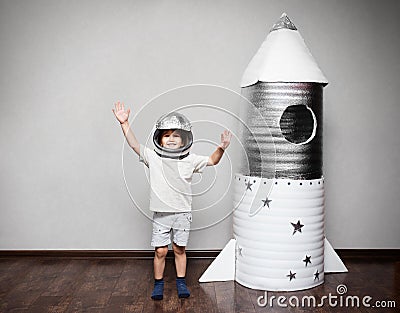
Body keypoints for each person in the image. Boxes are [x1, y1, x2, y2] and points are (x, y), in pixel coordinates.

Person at [112, 101, 231, 300]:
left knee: (179, 248)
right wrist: (124, 123)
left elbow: (212, 160)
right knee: (160, 251)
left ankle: (181, 282)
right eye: (167, 135)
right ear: (159, 139)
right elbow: (134, 144)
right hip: (161, 214)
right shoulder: (154, 158)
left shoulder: (190, 160)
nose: (171, 139)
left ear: (185, 140)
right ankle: (158, 284)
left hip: (182, 214)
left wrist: (222, 148)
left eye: (176, 135)